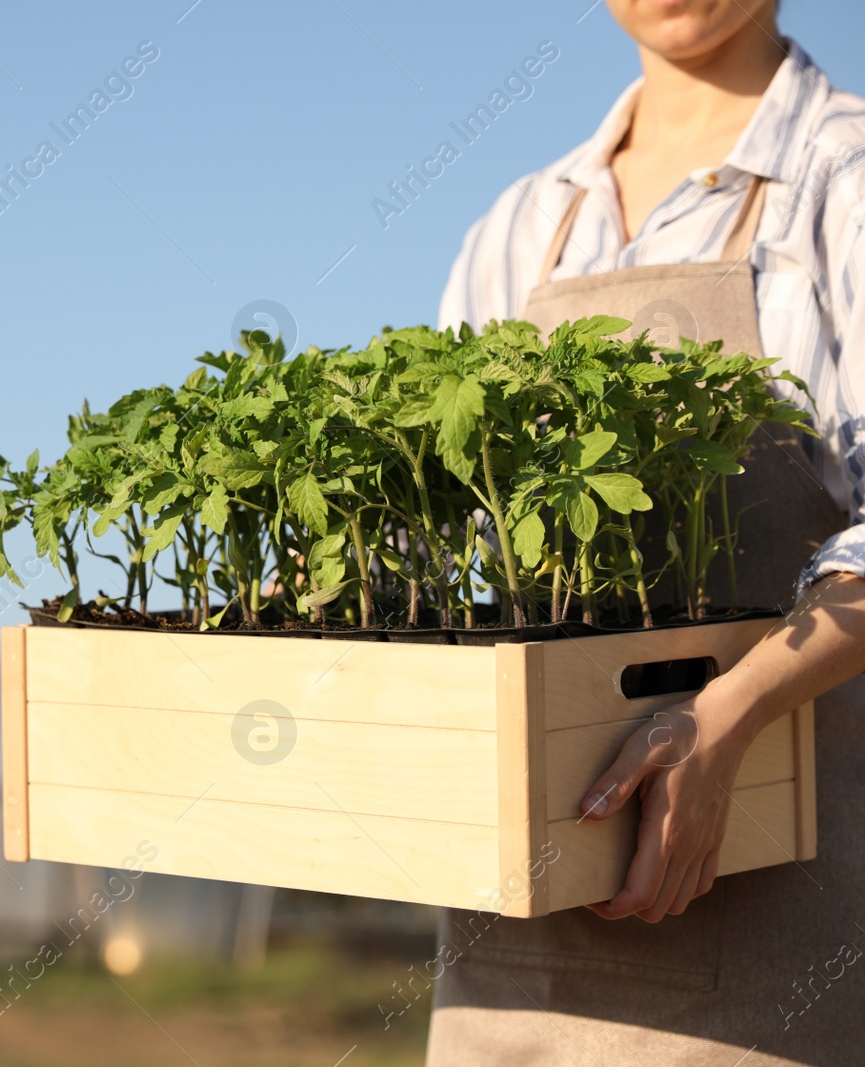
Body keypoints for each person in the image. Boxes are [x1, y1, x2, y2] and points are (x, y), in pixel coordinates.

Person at [431, 1, 865, 1064]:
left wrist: (725, 722)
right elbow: (434, 542)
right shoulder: (526, 221)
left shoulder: (842, 181)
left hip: (774, 923)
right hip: (507, 960)